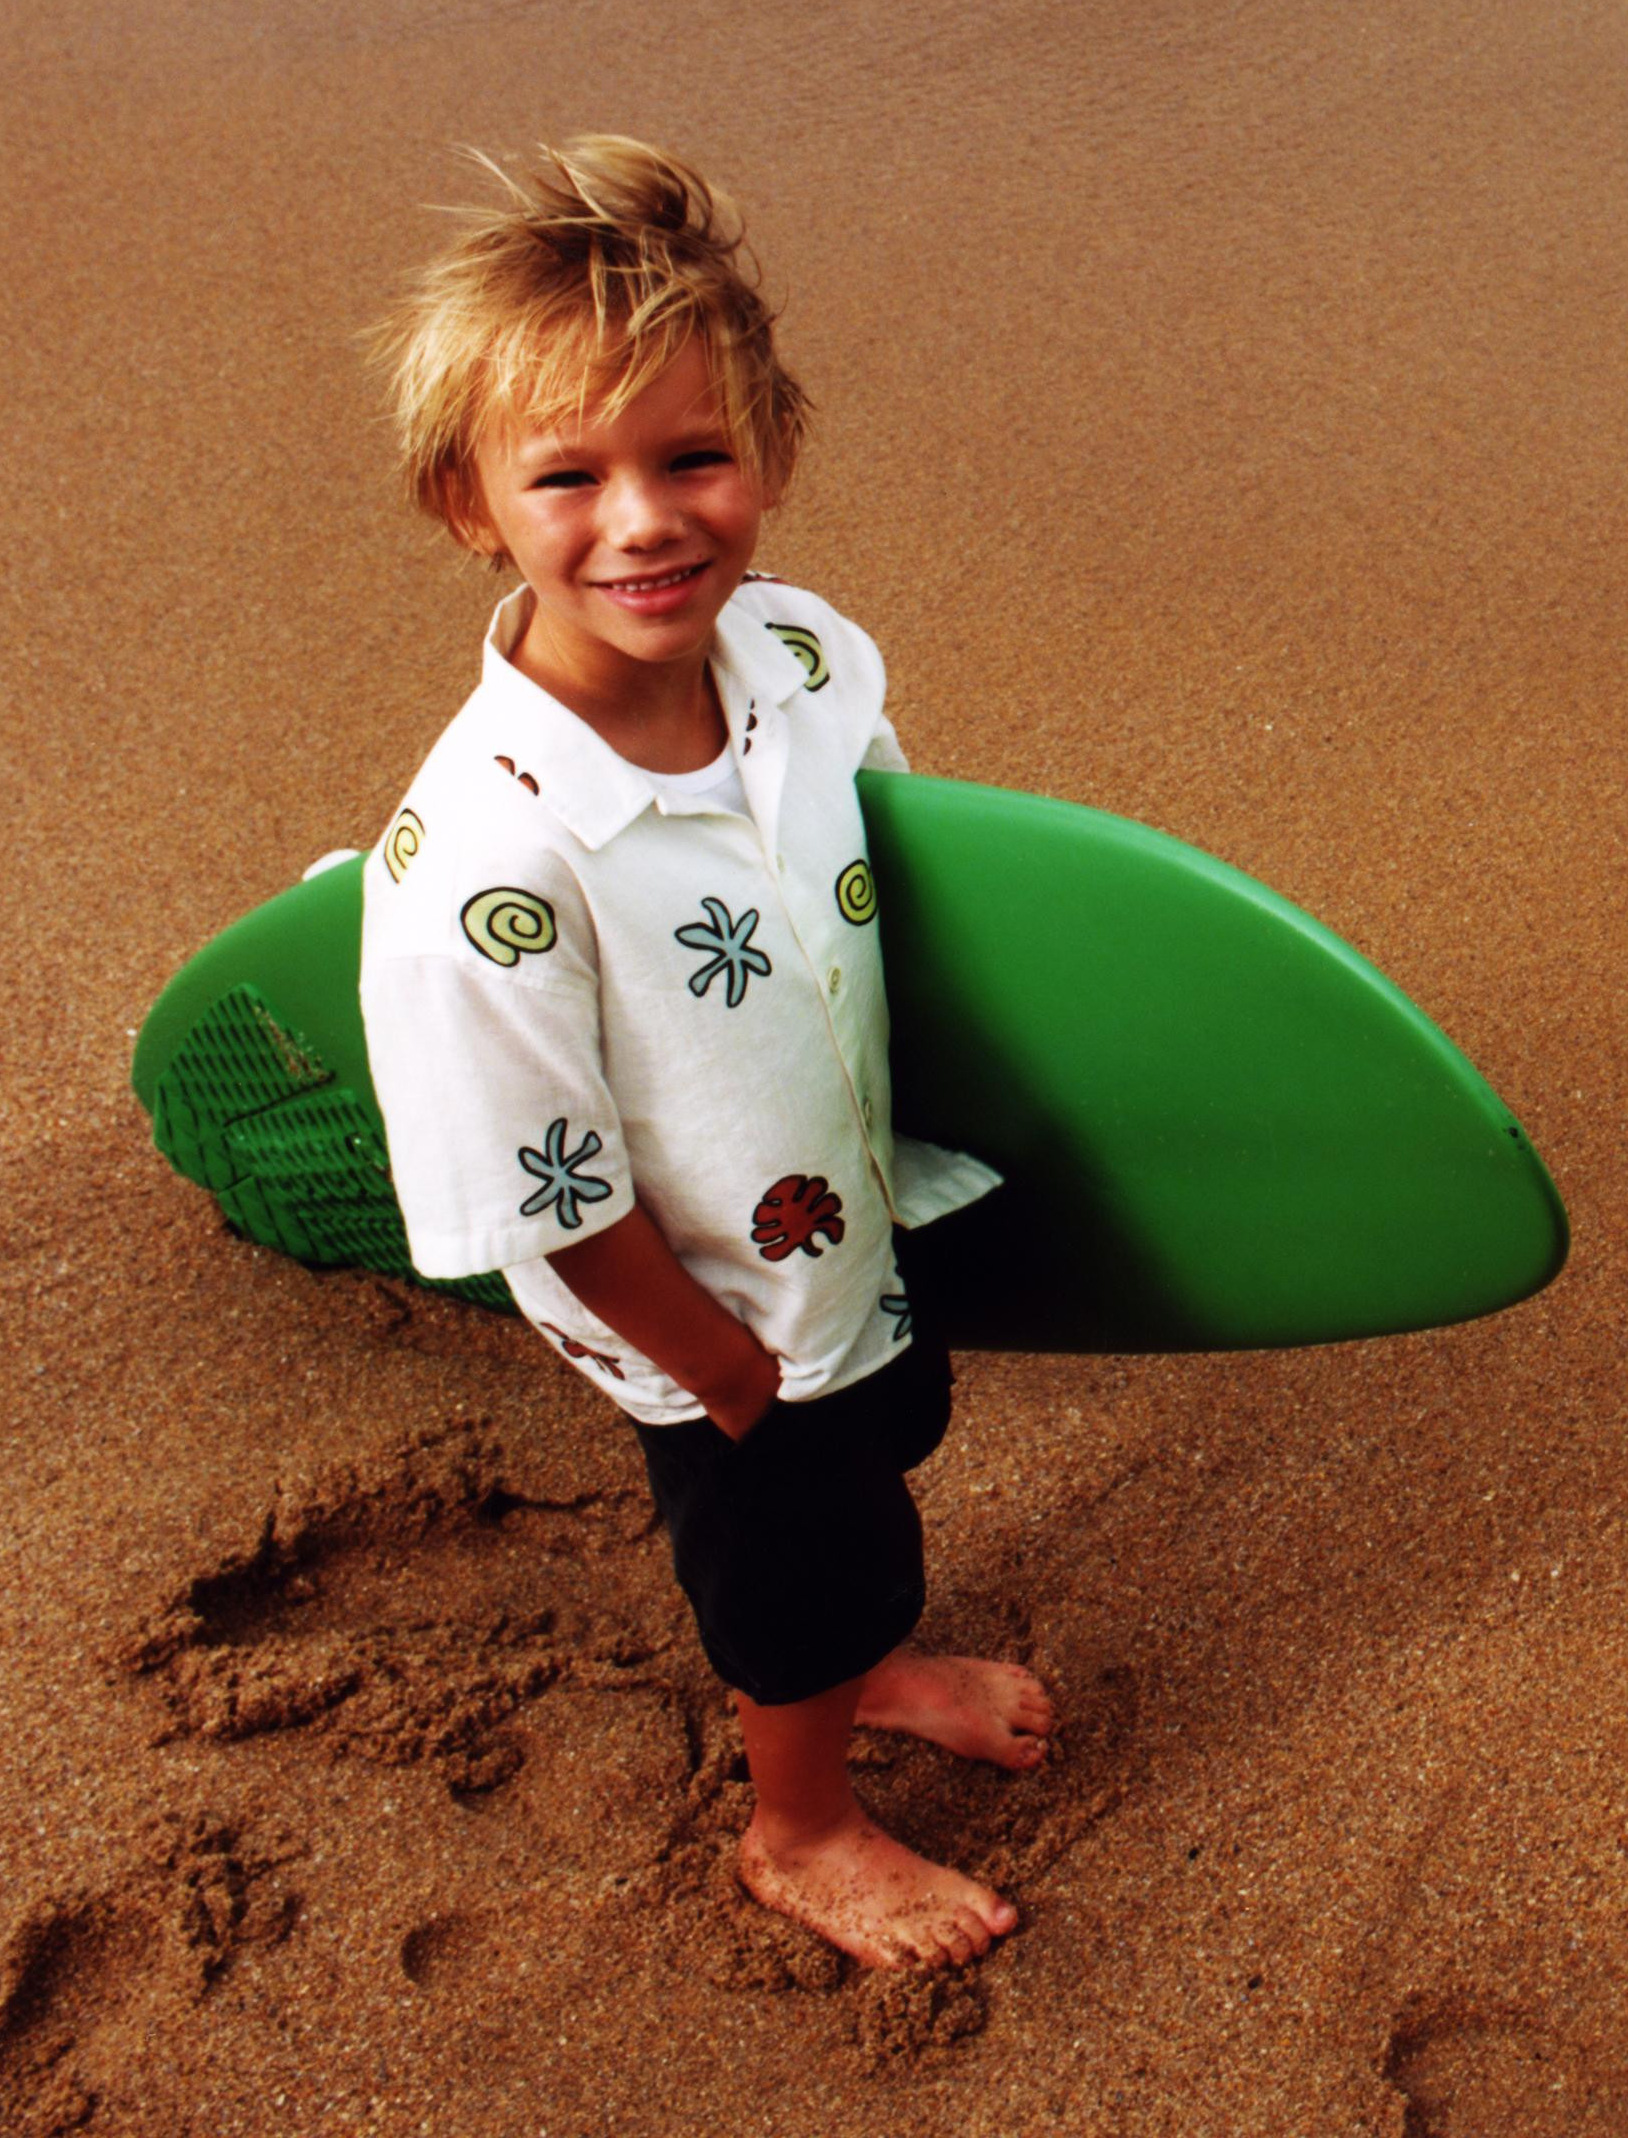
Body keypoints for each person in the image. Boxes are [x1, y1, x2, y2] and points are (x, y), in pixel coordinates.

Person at [360, 136, 1052, 1970]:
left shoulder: (805, 661)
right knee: (785, 1565)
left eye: (692, 458)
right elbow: (531, 1174)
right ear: (466, 503)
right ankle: (801, 1823)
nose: (644, 521)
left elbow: (913, 875)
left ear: (772, 454)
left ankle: (874, 1664)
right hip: (708, 1312)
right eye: (566, 477)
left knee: (891, 1445)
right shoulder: (491, 865)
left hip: (856, 1215)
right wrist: (722, 1375)